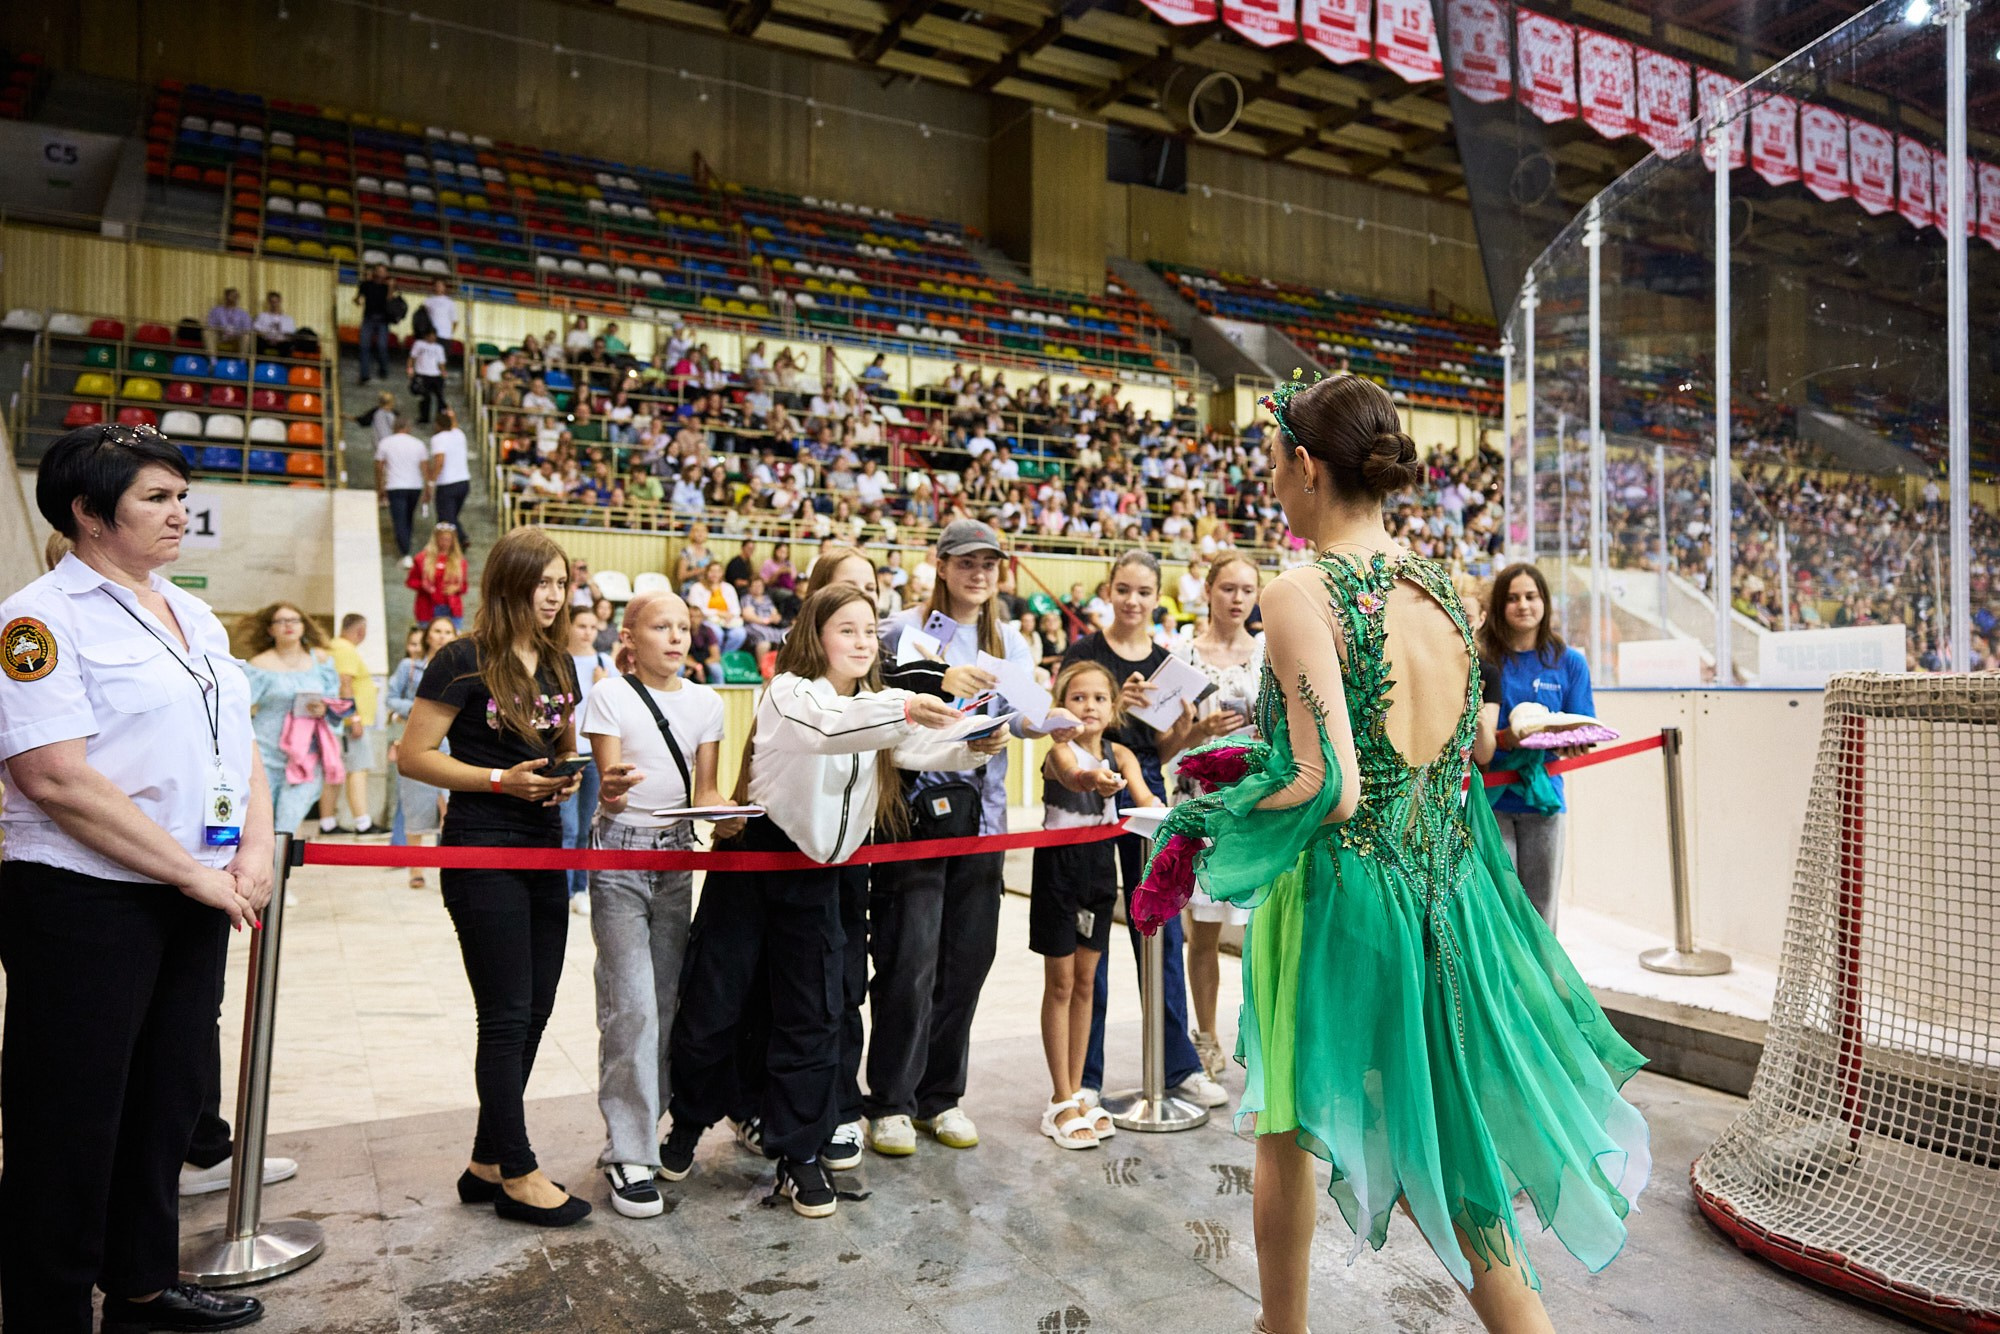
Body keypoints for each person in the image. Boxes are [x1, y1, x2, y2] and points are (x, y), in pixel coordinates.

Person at [1131, 373, 1646, 1334]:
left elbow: (1330, 786)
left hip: (1342, 894)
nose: (1272, 480)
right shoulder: (1441, 589)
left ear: (1308, 467)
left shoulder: (1300, 591)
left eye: (1275, 461)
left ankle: (1281, 1328)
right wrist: (1261, 754)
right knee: (1445, 1135)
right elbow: (1463, 747)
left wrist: (1204, 809)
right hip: (1446, 886)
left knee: (1286, 1125)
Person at [0, 423, 271, 1332]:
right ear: (87, 513)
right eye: (156, 498)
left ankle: (144, 1285)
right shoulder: (37, 619)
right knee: (70, 1117)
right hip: (84, 899)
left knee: (167, 1101)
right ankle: (47, 1308)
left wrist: (255, 850)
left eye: (181, 496)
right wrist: (193, 874)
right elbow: (54, 775)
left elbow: (241, 741)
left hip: (194, 889)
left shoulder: (188, 611)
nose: (179, 513)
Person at [660, 585, 1003, 1219]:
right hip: (757, 862)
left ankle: (799, 1153)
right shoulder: (792, 693)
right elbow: (829, 730)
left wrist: (970, 745)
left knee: (812, 1014)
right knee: (716, 999)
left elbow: (911, 747)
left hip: (820, 876)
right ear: (816, 635)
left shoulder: (876, 704)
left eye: (870, 632)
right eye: (846, 629)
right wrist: (908, 706)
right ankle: (688, 1120)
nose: (862, 642)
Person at [867, 520, 1082, 1157]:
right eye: (966, 562)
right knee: (909, 961)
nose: (978, 574)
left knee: (967, 960)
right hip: (915, 817)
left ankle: (941, 1097)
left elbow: (1020, 714)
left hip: (983, 823)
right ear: (940, 565)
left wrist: (1049, 723)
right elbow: (887, 709)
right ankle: (890, 1102)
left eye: (989, 563)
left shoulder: (1009, 639)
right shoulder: (902, 632)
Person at [399, 526, 589, 1227]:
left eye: (562, 582)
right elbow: (413, 756)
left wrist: (569, 779)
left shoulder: (561, 664)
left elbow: (560, 749)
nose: (554, 594)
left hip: (545, 841)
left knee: (535, 1010)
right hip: (481, 845)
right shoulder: (460, 658)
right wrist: (496, 781)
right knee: (506, 1015)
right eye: (543, 581)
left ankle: (485, 1161)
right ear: (509, 584)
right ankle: (518, 1170)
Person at [1063, 550, 1233, 1120]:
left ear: (1157, 597)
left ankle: (1177, 1065)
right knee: (1092, 939)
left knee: (1159, 932)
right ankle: (1084, 1077)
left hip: (1146, 806)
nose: (1133, 601)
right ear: (1108, 591)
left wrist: (1193, 732)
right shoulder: (1085, 653)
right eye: (1124, 589)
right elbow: (1059, 729)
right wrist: (1112, 709)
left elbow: (1163, 750)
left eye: (1143, 592)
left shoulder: (1166, 665)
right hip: (1087, 802)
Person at [580, 591, 731, 1218]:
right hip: (618, 856)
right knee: (631, 1006)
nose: (675, 637)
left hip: (674, 859)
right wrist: (612, 789)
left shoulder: (707, 702)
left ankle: (645, 1129)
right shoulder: (609, 694)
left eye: (684, 627)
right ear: (629, 635)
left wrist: (732, 815)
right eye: (660, 627)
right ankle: (628, 1152)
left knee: (666, 1003)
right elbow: (611, 790)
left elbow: (709, 789)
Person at [1033, 660, 1156, 1151]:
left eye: (1099, 698)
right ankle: (1059, 1097)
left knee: (1086, 982)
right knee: (1060, 982)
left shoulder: (1121, 751)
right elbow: (1075, 777)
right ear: (1062, 704)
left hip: (1100, 872)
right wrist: (1095, 781)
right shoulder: (1058, 750)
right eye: (1078, 698)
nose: (1089, 706)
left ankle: (1081, 1088)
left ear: (1114, 706)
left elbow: (1144, 798)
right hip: (1058, 870)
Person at [1170, 553, 1265, 1080]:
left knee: (1261, 933)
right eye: (1227, 587)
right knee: (1203, 932)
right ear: (1207, 590)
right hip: (1200, 808)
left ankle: (1260, 1038)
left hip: (1256, 809)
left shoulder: (1270, 656)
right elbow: (1164, 743)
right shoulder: (1181, 658)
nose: (1236, 598)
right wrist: (1197, 733)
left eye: (1246, 589)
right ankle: (1205, 1037)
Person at [1476, 562, 1597, 929]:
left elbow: (1582, 723)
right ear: (1499, 606)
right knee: (1500, 910)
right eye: (1512, 598)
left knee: (1541, 911)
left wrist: (1572, 743)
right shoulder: (1483, 661)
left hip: (1544, 801)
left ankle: (1543, 985)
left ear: (1545, 602)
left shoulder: (1569, 662)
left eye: (1531, 596)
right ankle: (1503, 987)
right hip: (1492, 801)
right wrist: (1504, 739)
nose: (1523, 605)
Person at [241, 600, 342, 840]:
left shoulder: (321, 661)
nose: (288, 625)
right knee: (261, 822)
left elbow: (335, 701)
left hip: (307, 754)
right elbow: (239, 707)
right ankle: (266, 873)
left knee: (288, 820)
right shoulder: (258, 665)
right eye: (280, 621)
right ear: (270, 629)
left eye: (294, 620)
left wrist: (324, 708)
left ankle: (280, 873)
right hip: (266, 751)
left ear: (304, 626)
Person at [386, 616, 456, 890]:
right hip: (416, 740)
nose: (441, 636)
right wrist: (418, 710)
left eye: (447, 632)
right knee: (415, 807)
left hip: (451, 743)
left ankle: (449, 865)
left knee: (449, 807)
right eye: (437, 631)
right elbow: (391, 698)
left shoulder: (459, 666)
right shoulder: (410, 666)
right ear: (428, 635)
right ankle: (416, 868)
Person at [561, 606, 616, 911]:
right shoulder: (558, 660)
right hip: (568, 754)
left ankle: (581, 888)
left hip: (594, 753)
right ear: (568, 626)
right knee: (566, 827)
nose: (587, 632)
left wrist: (603, 684)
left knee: (586, 827)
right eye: (581, 625)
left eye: (593, 626)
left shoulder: (603, 663)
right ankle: (564, 888)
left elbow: (618, 706)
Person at [317, 613, 380, 838]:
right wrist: (354, 718)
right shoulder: (345, 649)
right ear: (361, 631)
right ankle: (362, 823)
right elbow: (345, 683)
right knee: (357, 770)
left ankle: (328, 822)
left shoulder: (336, 647)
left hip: (339, 721)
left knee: (335, 772)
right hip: (348, 723)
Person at [376, 417, 431, 567]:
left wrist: (380, 487)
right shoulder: (418, 444)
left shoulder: (385, 443)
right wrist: (428, 487)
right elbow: (425, 468)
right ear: (408, 427)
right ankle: (405, 547)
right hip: (415, 486)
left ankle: (405, 552)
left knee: (399, 519)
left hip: (395, 486)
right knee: (408, 517)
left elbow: (379, 467)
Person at [409, 521, 468, 627]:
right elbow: (411, 581)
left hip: (452, 608)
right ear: (436, 539)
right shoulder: (421, 559)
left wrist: (456, 588)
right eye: (442, 539)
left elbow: (464, 586)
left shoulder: (460, 561)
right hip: (427, 608)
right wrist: (423, 585)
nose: (445, 543)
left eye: (448, 540)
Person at [686, 561, 745, 656]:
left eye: (718, 571)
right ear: (706, 572)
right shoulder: (697, 587)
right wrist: (717, 613)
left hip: (727, 620)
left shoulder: (728, 587)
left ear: (722, 573)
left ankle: (724, 656)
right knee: (717, 632)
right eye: (712, 571)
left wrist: (730, 615)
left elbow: (736, 609)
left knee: (740, 633)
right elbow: (696, 608)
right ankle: (715, 656)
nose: (715, 574)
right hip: (707, 619)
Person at [427, 408, 472, 530]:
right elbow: (454, 425)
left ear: (437, 424)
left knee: (446, 520)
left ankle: (461, 539)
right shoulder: (459, 434)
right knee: (452, 517)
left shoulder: (438, 439)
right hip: (464, 482)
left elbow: (439, 462)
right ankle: (461, 539)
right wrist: (452, 416)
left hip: (447, 484)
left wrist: (431, 483)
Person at [353, 262, 395, 384]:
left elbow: (389, 301)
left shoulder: (387, 286)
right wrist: (357, 301)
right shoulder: (366, 284)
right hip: (368, 318)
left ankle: (383, 369)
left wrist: (391, 288)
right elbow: (358, 298)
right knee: (364, 346)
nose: (381, 273)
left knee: (382, 346)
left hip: (383, 320)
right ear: (375, 272)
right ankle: (364, 374)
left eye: (384, 271)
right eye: (379, 271)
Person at [408, 325, 449, 426]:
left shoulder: (438, 348)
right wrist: (410, 369)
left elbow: (441, 362)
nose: (432, 338)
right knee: (425, 398)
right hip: (422, 374)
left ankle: (441, 419)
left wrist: (443, 373)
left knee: (440, 398)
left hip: (435, 375)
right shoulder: (419, 344)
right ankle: (424, 417)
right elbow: (412, 357)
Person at [205, 286, 252, 353]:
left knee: (246, 336)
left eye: (236, 296)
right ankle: (213, 360)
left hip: (236, 337)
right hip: (220, 335)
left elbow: (247, 328)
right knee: (207, 332)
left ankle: (242, 361)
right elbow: (211, 325)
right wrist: (220, 331)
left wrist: (236, 334)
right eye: (232, 295)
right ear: (226, 296)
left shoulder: (243, 313)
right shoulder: (216, 310)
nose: (234, 298)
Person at [252, 290, 296, 357]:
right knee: (257, 342)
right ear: (268, 302)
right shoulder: (262, 316)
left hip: (281, 342)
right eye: (272, 302)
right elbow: (256, 330)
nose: (274, 304)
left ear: (280, 301)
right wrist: (268, 337)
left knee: (289, 345)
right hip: (265, 341)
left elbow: (291, 334)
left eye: (276, 302)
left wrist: (279, 339)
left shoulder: (288, 319)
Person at [419, 278, 459, 346]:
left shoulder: (450, 302)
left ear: (444, 287)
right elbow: (423, 318)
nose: (438, 287)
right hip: (431, 335)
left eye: (441, 285)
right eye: (437, 285)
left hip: (445, 336)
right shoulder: (428, 301)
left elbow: (455, 321)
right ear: (434, 287)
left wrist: (450, 333)